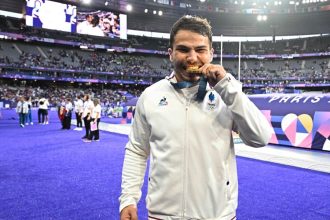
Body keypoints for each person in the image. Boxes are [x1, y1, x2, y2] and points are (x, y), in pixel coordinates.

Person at [119, 15, 272, 220]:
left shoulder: (226, 93)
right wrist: (128, 198)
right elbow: (137, 149)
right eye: (183, 49)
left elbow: (260, 138)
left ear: (211, 53)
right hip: (161, 215)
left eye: (200, 50)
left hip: (217, 215)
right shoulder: (151, 96)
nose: (192, 58)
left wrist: (227, 88)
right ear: (171, 54)